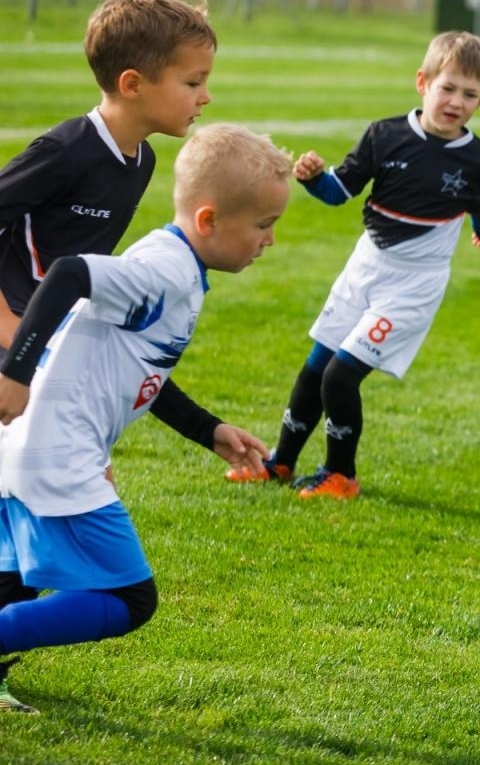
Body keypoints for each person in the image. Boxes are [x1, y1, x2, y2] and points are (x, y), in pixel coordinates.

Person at [0, 123, 288, 714]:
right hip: (57, 452)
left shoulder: (179, 268)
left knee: (16, 580)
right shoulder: (165, 269)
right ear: (208, 221)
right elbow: (69, 275)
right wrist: (16, 373)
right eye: (262, 226)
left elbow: (142, 369)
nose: (270, 241)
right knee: (130, 598)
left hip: (31, 447)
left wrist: (208, 429)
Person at [227, 31, 480, 500]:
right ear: (423, 82)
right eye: (448, 87)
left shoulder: (478, 159)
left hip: (414, 284)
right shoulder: (384, 136)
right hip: (365, 268)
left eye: (469, 94)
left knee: (341, 374)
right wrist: (314, 180)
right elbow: (340, 191)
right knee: (316, 366)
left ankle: (341, 475)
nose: (456, 101)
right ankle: (281, 462)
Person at [0, 0, 216, 347]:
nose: (205, 95)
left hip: (56, 332)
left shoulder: (143, 160)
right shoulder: (66, 150)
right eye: (193, 82)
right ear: (132, 84)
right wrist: (7, 323)